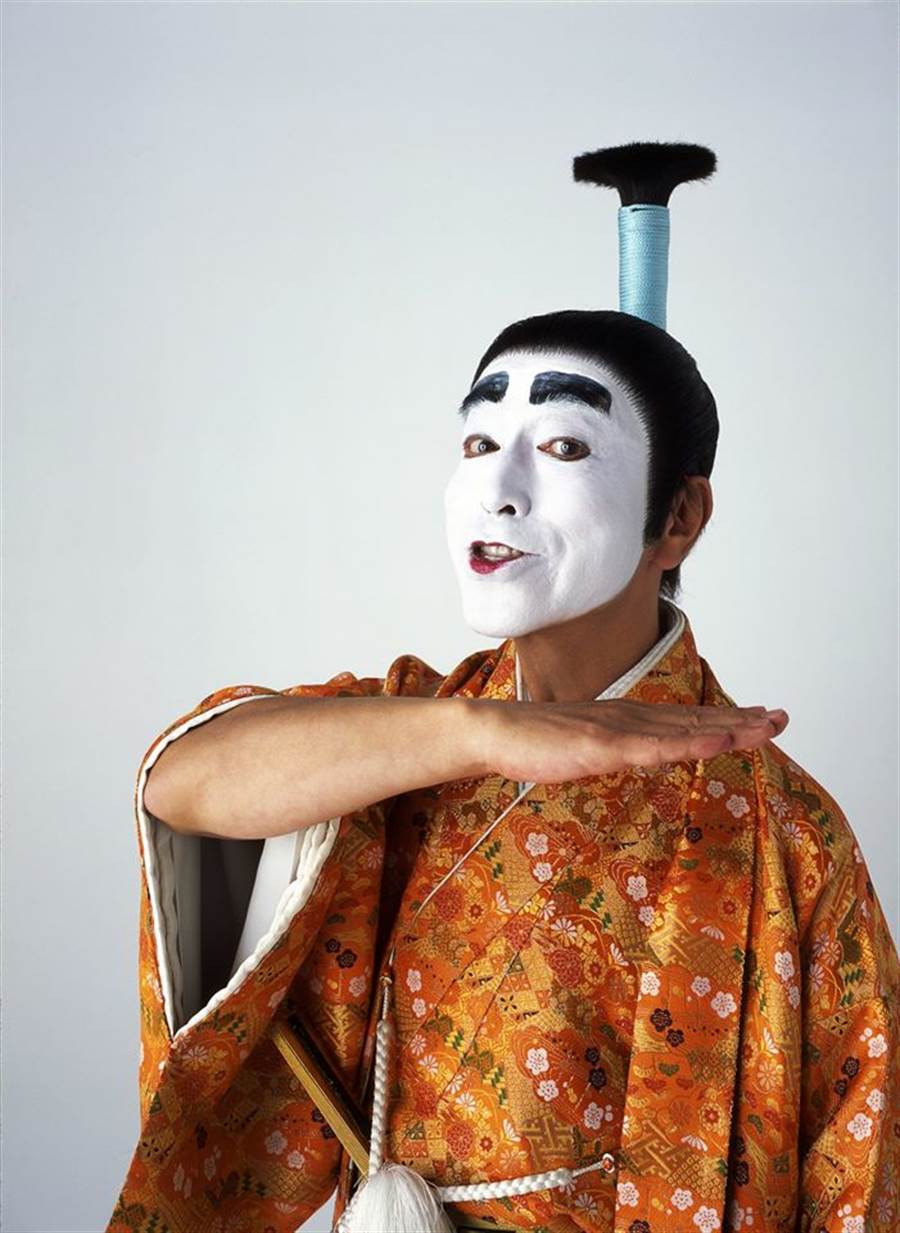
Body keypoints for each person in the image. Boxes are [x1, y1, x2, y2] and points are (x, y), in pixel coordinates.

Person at [107, 144, 898, 1233]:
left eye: (565, 444)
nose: (499, 489)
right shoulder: (411, 736)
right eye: (480, 439)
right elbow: (181, 784)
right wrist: (483, 734)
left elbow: (860, 1181)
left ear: (678, 518)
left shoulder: (786, 835)